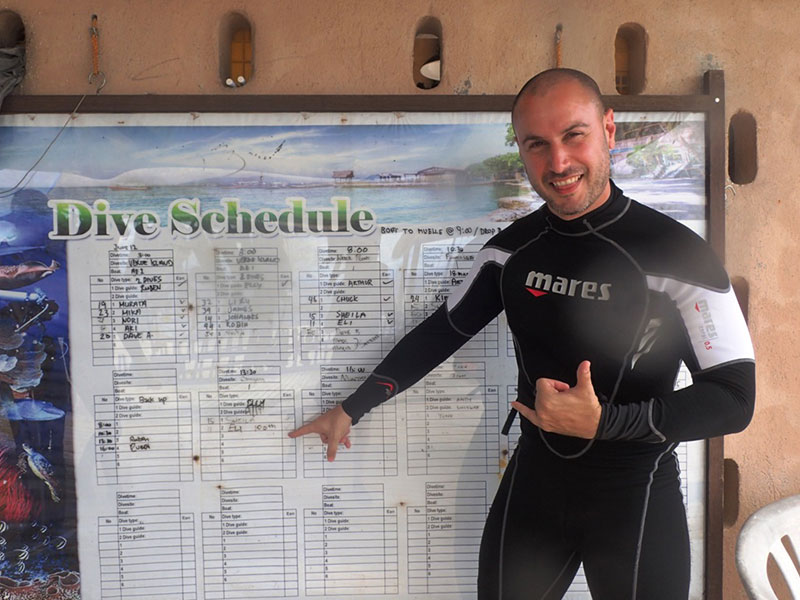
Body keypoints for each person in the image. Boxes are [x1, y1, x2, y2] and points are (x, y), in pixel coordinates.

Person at [289, 68, 756, 599]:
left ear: (608, 128)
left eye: (574, 135)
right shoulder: (511, 251)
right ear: (521, 149)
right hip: (536, 485)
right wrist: (352, 407)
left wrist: (606, 423)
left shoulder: (678, 255)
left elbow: (734, 398)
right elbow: (444, 330)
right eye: (537, 144)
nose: (558, 163)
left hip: (638, 494)